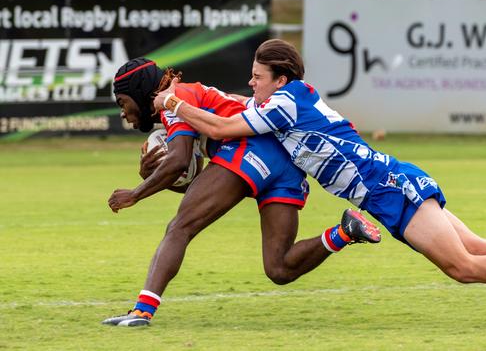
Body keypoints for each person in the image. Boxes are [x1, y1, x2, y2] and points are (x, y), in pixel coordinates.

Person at [153, 39, 486, 328]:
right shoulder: (284, 103)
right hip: (389, 183)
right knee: (478, 244)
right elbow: (228, 106)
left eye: (257, 78)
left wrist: (174, 102)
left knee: (462, 265)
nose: (250, 84)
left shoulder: (284, 105)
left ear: (282, 79)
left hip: (387, 189)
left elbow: (218, 129)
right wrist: (191, 100)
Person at [102, 58, 381, 327]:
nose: (123, 113)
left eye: (123, 103)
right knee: (279, 268)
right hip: (284, 163)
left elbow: (178, 163)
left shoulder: (175, 98)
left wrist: (137, 193)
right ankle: (345, 231)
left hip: (251, 148)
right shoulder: (191, 94)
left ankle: (142, 311)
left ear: (139, 93)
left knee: (180, 227)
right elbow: (199, 183)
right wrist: (157, 178)